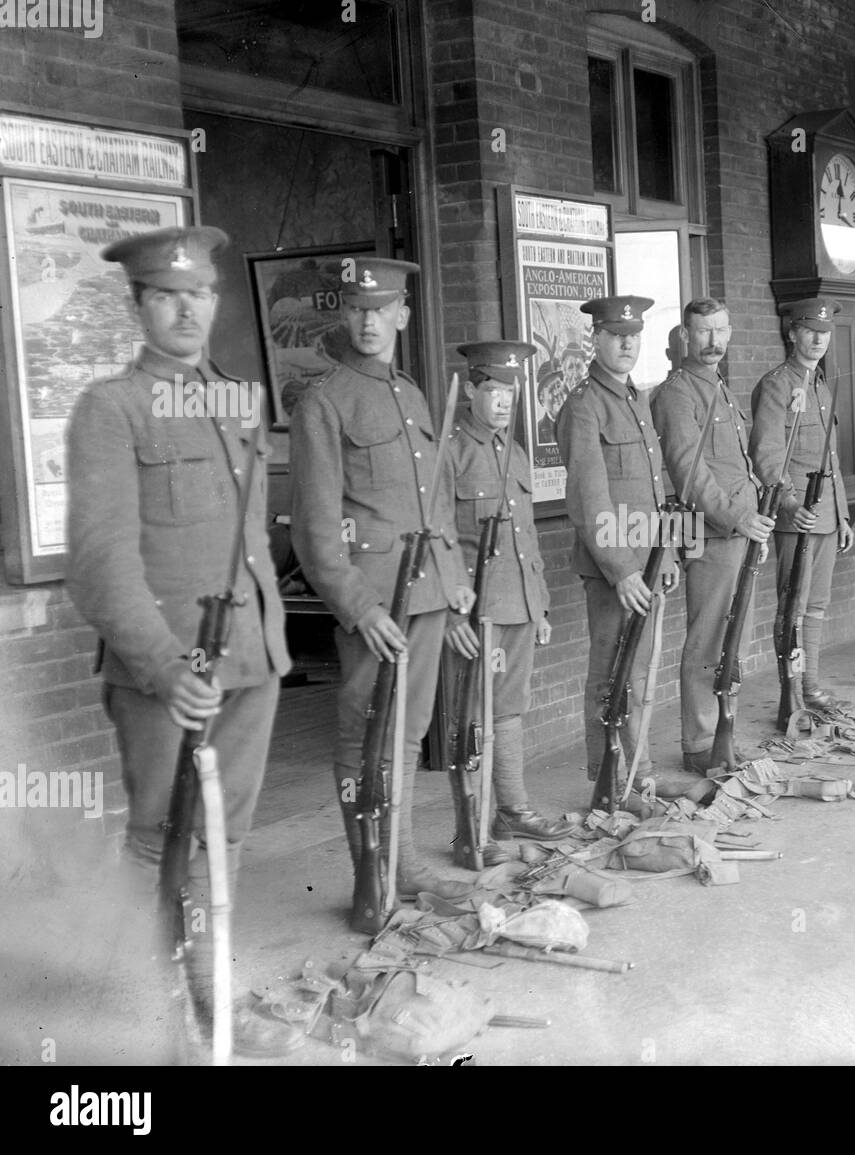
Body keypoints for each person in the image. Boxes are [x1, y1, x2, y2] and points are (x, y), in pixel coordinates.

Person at [66, 226, 300, 1057]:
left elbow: (244, 539)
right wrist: (166, 668)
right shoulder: (110, 409)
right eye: (165, 295)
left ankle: (212, 1006)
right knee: (156, 842)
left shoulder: (235, 398)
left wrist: (265, 641)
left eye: (198, 293)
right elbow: (99, 566)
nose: (185, 308)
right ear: (137, 306)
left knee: (221, 843)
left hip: (248, 658)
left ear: (215, 299)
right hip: (169, 670)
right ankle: (134, 1012)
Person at [290, 257, 473, 899]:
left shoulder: (414, 394)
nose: (368, 321)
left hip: (424, 594)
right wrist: (358, 607)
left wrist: (452, 589)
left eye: (381, 309)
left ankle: (402, 863)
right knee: (368, 730)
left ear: (402, 314)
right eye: (356, 309)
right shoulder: (324, 402)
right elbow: (315, 528)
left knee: (410, 731)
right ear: (345, 314)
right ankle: (373, 875)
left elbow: (438, 504)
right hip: (375, 600)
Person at [445, 341, 576, 861]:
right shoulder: (449, 453)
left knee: (509, 712)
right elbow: (438, 538)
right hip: (477, 611)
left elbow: (528, 541)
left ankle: (512, 811)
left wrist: (540, 606)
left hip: (518, 604)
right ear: (472, 391)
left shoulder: (515, 452)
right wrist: (453, 610)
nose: (503, 401)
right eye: (493, 390)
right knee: (471, 717)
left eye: (510, 391)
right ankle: (470, 830)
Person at [556, 295, 679, 792]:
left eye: (634, 335)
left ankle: (639, 774)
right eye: (615, 335)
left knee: (640, 674)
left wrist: (664, 554)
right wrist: (623, 568)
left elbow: (655, 490)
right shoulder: (584, 406)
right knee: (612, 676)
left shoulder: (636, 400)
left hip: (645, 565)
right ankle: (608, 782)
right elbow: (591, 499)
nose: (627, 343)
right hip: (617, 572)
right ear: (597, 339)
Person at [650, 298, 772, 774]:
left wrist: (755, 504)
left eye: (721, 330)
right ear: (685, 334)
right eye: (703, 332)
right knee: (708, 640)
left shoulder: (717, 386)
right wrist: (734, 517)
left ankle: (723, 733)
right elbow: (688, 471)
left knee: (731, 635)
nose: (713, 342)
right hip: (712, 533)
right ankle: (701, 743)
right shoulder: (678, 393)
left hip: (741, 531)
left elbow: (734, 464)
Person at [750, 298, 853, 715]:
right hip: (798, 517)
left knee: (816, 606)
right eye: (809, 330)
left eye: (824, 333)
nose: (817, 339)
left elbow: (830, 459)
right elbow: (767, 454)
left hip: (826, 515)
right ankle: (790, 695)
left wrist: (843, 515)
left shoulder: (820, 385)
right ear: (792, 333)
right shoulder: (777, 384)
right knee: (793, 605)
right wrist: (789, 504)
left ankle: (810, 686)